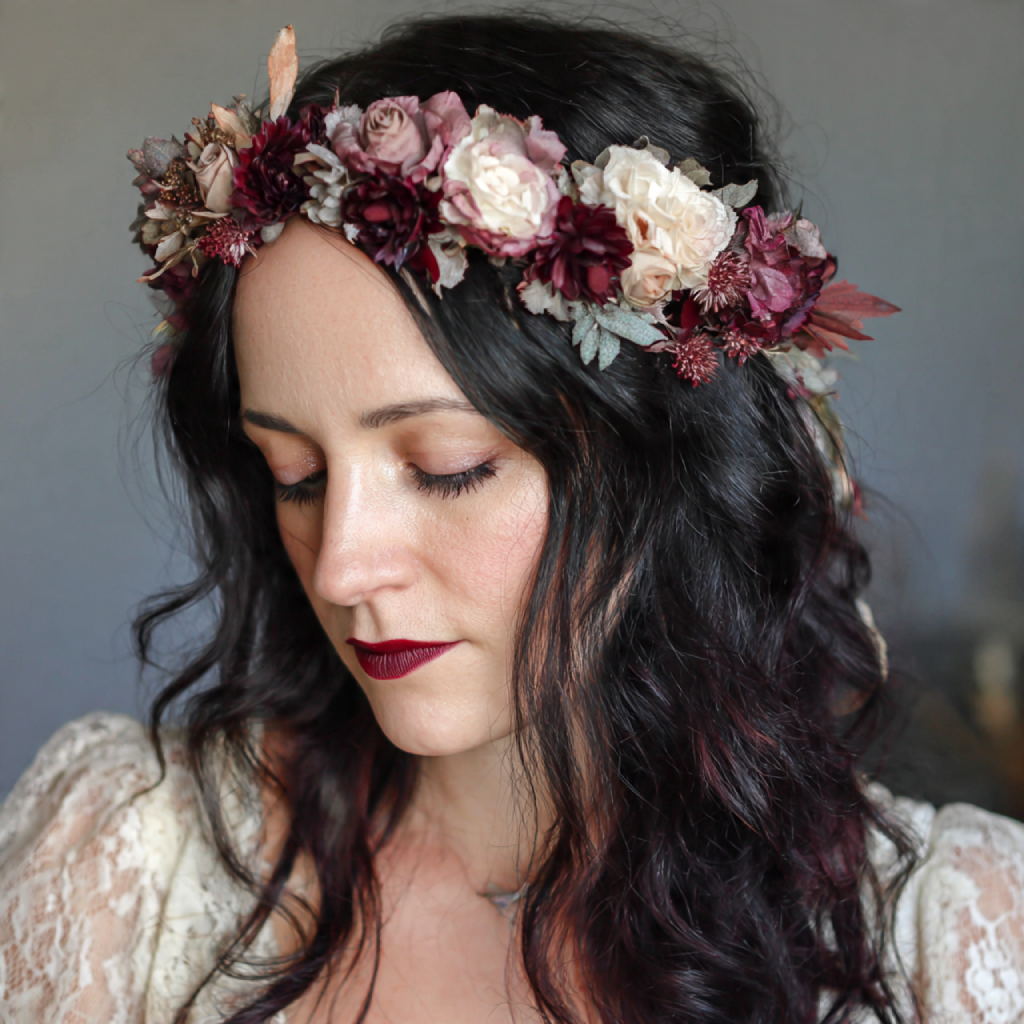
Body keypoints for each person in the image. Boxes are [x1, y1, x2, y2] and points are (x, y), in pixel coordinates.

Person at [1, 13, 1022, 1024]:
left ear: (666, 460)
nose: (343, 567)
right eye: (297, 473)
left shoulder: (958, 933)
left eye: (448, 469)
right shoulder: (115, 858)